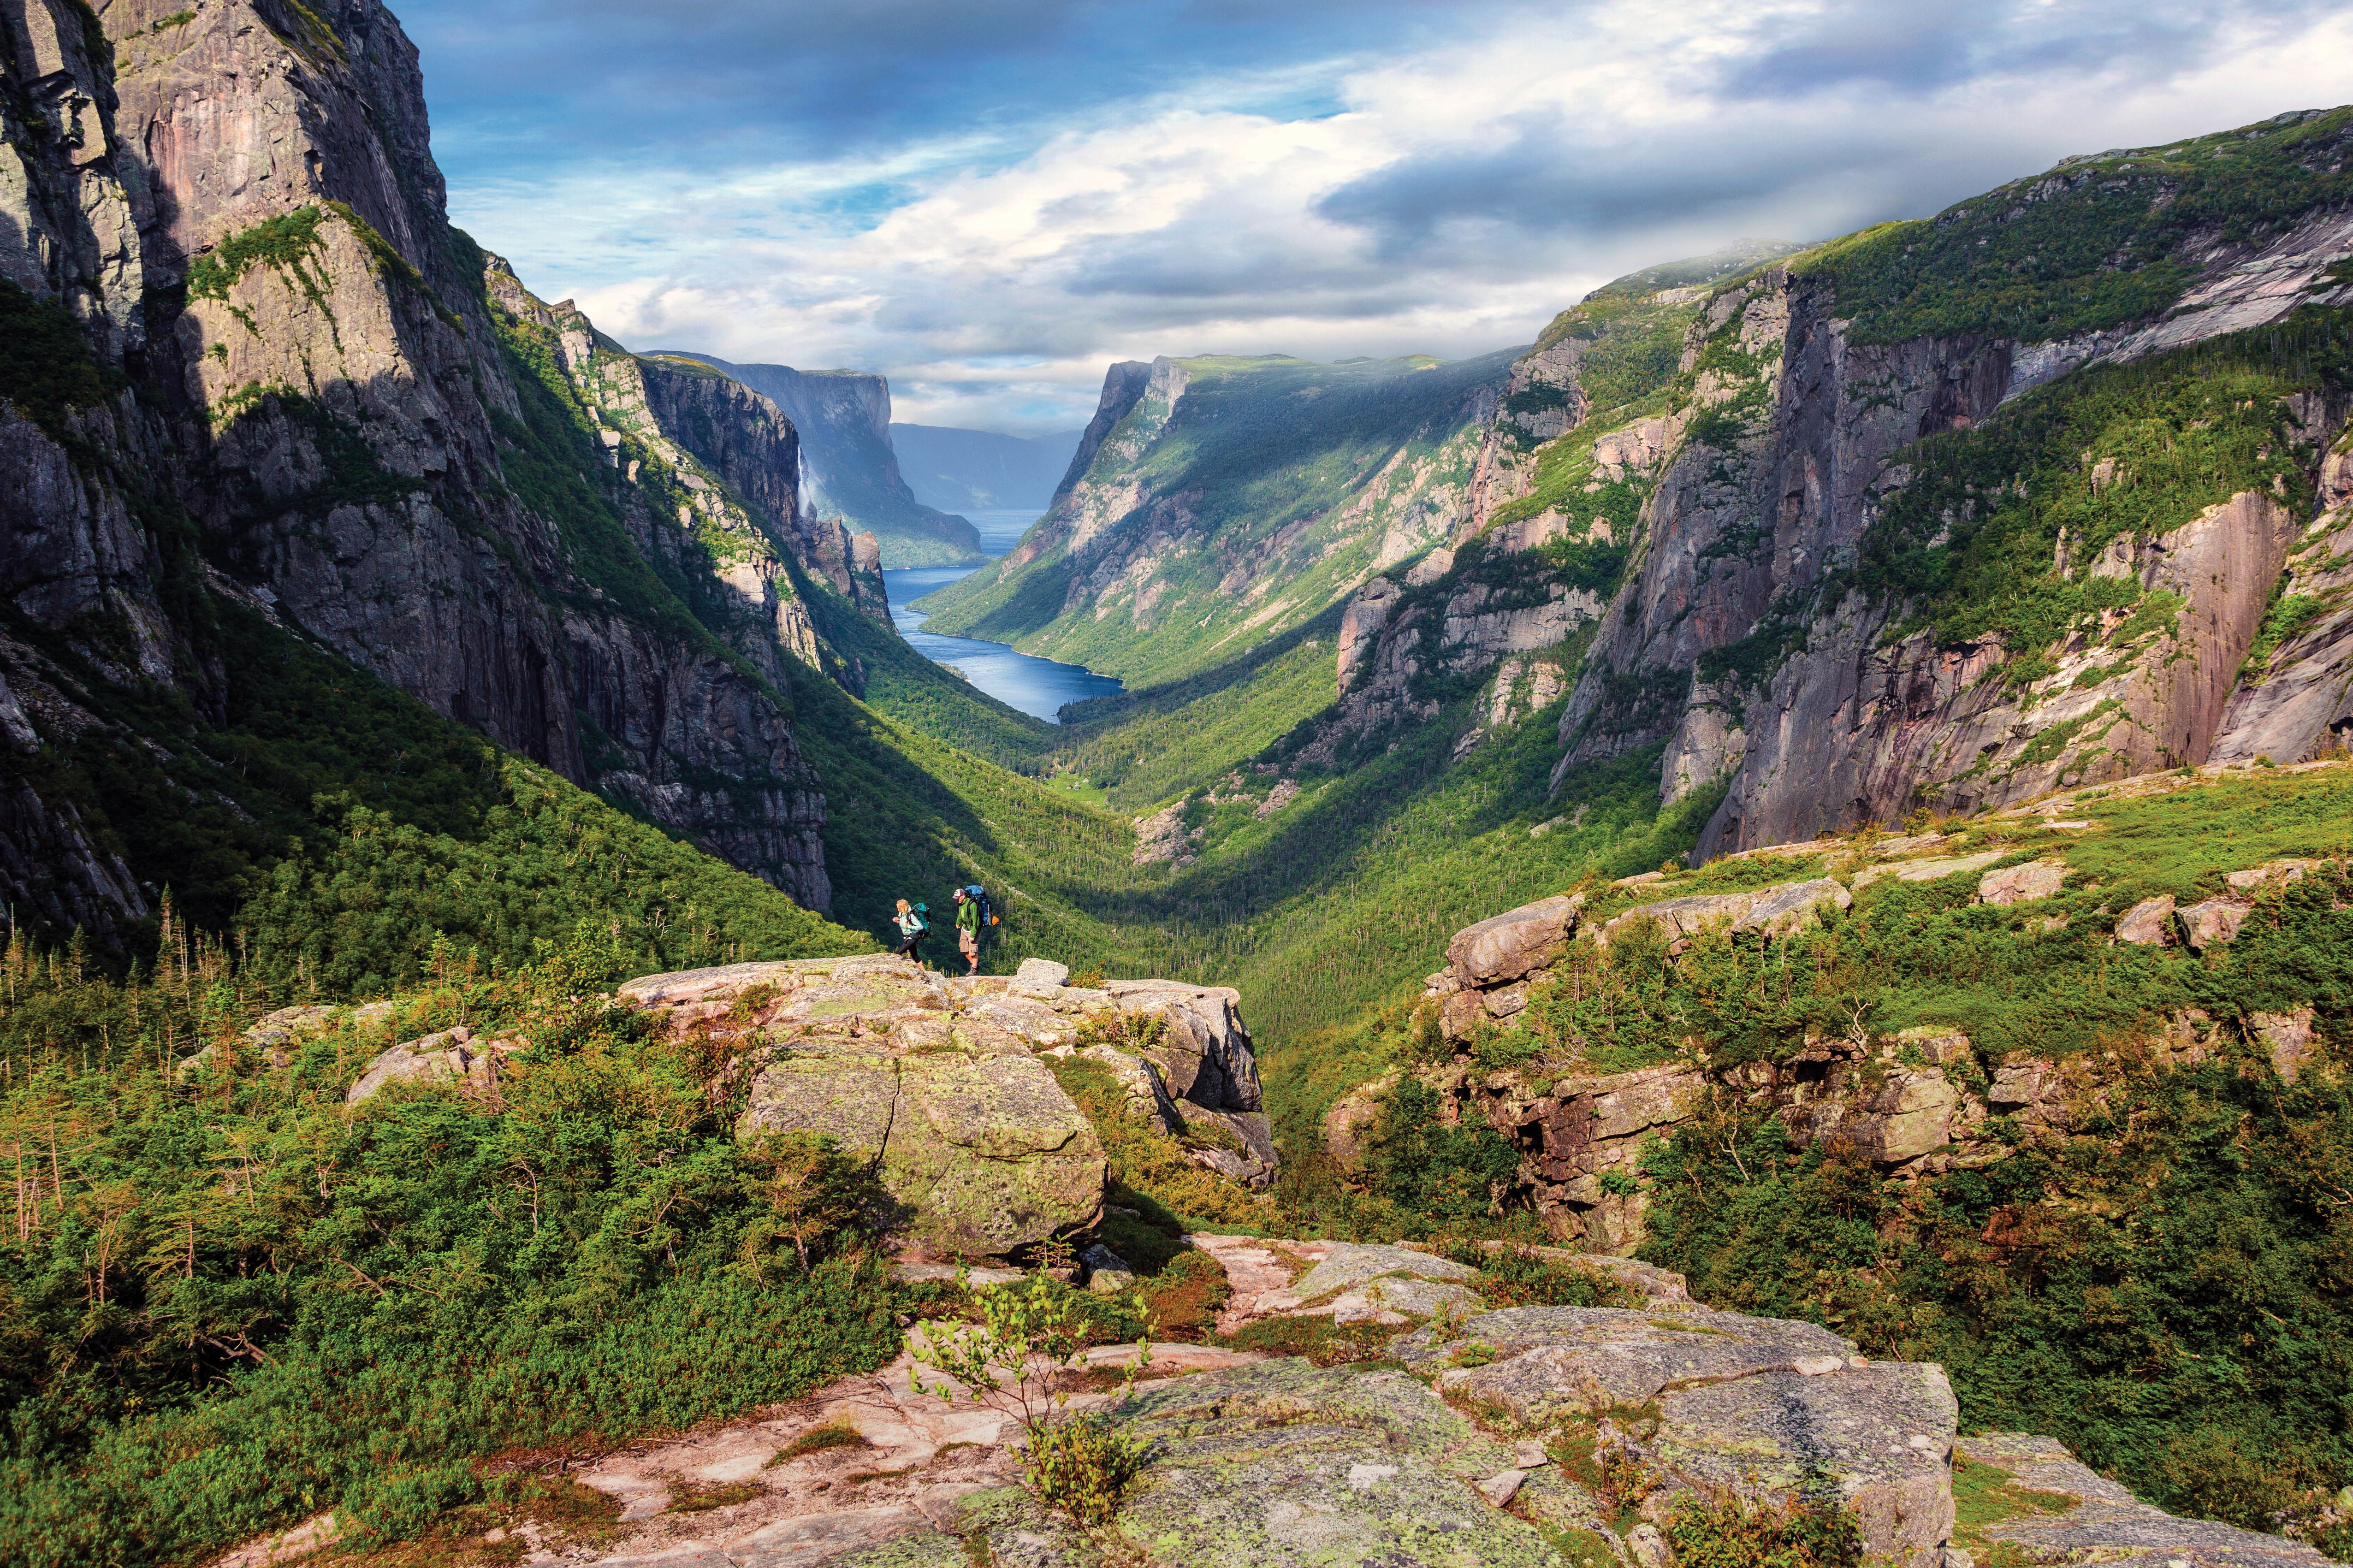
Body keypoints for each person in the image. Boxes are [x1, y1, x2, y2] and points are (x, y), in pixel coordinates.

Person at [952, 886, 981, 976]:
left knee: (973, 951)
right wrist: (958, 923)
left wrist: (973, 935)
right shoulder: (961, 904)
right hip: (965, 929)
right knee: (964, 949)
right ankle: (975, 964)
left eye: (958, 898)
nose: (957, 900)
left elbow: (976, 921)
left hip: (973, 930)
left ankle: (974, 969)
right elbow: (961, 914)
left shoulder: (972, 905)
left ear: (963, 896)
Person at [892, 898, 928, 963]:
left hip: (913, 937)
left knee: (897, 954)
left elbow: (921, 927)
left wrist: (910, 927)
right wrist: (894, 920)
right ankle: (924, 972)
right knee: (915, 956)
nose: (898, 910)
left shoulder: (911, 915)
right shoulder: (902, 913)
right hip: (907, 936)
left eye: (900, 908)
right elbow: (900, 919)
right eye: (898, 908)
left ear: (904, 908)